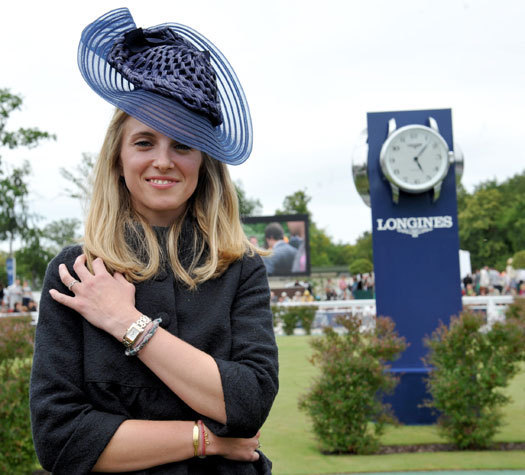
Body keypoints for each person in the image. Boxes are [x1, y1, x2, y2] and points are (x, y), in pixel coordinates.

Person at [30, 8, 278, 474]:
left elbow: (248, 403)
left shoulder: (240, 268)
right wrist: (205, 439)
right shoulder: (76, 274)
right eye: (144, 142)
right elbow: (60, 441)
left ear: (203, 164)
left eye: (182, 144)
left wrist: (126, 321)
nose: (163, 160)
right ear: (118, 161)